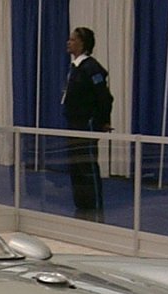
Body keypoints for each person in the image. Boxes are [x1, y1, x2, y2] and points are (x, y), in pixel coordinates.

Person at [62, 26, 113, 216]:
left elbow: (105, 98)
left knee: (87, 165)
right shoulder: (74, 68)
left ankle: (94, 207)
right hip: (73, 123)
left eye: (73, 39)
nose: (69, 42)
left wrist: (103, 121)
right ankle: (81, 205)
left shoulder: (91, 68)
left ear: (83, 44)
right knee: (76, 166)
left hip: (87, 124)